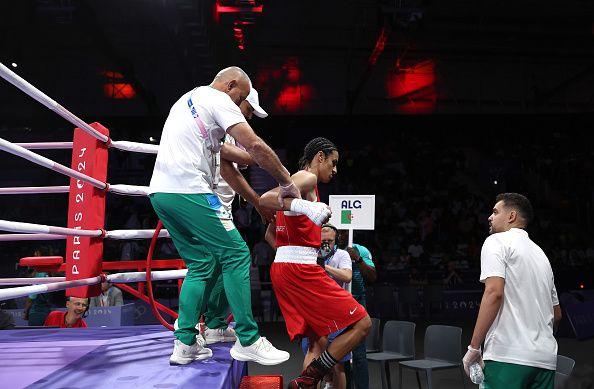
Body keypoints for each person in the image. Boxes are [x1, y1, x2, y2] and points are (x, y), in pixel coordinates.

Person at [149, 66, 299, 366]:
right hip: (190, 190)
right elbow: (253, 145)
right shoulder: (217, 99)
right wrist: (285, 180)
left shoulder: (188, 100)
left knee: (201, 264)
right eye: (240, 97)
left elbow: (233, 155)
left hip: (161, 193)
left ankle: (186, 343)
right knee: (237, 255)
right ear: (230, 86)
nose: (240, 106)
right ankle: (249, 339)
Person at [260, 137, 371, 389]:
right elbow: (265, 199)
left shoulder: (302, 183)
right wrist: (305, 208)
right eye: (332, 162)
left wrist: (293, 254)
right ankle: (309, 378)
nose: (335, 169)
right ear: (319, 157)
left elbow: (269, 233)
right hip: (300, 270)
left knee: (316, 343)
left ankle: (305, 382)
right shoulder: (306, 178)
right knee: (363, 323)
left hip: (287, 267)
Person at [463, 193, 562, 389]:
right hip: (545, 361)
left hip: (506, 357)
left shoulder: (496, 241)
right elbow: (557, 315)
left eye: (495, 211)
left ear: (511, 216)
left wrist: (474, 347)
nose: (489, 217)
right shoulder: (542, 256)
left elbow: (494, 293)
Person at [200, 87, 275, 345]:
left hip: (222, 206)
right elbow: (227, 154)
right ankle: (191, 324)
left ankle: (214, 325)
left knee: (226, 264)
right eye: (249, 111)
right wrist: (253, 155)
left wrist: (248, 156)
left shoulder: (233, 135)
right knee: (224, 261)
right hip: (206, 205)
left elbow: (237, 164)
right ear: (238, 101)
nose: (250, 117)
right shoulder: (218, 124)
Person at [301, 224, 353, 389]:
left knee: (338, 364)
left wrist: (325, 266)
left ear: (335, 240)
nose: (326, 244)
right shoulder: (308, 254)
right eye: (323, 241)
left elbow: (347, 276)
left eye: (330, 241)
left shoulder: (342, 254)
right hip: (314, 313)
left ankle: (332, 383)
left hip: (338, 315)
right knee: (313, 359)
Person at [341, 239, 377, 389]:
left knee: (359, 354)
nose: (341, 234)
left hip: (357, 302)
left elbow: (372, 277)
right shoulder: (328, 247)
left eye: (344, 231)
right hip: (336, 303)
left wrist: (358, 259)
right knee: (340, 353)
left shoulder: (360, 250)